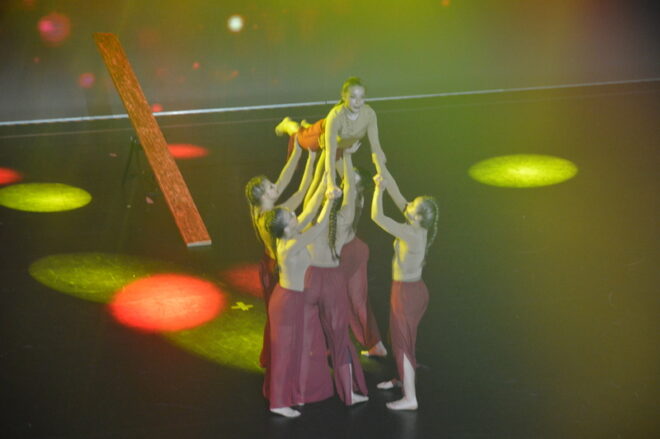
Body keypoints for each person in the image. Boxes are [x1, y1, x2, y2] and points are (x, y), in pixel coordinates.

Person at [262, 177, 337, 418]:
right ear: (286, 228)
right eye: (291, 217)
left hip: (292, 299)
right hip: (288, 303)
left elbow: (309, 212)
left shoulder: (289, 235)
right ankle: (278, 403)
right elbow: (319, 225)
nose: (296, 216)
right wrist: (330, 201)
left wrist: (324, 183)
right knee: (285, 352)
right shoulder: (291, 244)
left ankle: (295, 393)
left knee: (297, 350)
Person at [303, 146, 370, 407]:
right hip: (332, 281)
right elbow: (351, 190)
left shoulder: (311, 218)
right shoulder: (343, 220)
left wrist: (326, 156)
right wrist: (347, 154)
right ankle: (348, 393)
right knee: (340, 339)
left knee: (307, 336)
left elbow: (313, 186)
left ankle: (301, 390)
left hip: (309, 280)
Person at [244, 131, 318, 368]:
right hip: (279, 271)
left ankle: (272, 356)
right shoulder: (274, 216)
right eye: (271, 187)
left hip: (268, 265)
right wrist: (313, 162)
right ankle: (284, 357)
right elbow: (301, 193)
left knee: (275, 316)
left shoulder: (260, 208)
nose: (275, 186)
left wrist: (297, 151)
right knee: (286, 317)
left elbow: (284, 179)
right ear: (265, 195)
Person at [370, 168, 439, 411]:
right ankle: (401, 379)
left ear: (417, 218)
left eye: (412, 206)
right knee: (400, 338)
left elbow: (377, 217)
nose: (407, 204)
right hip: (412, 291)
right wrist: (381, 165)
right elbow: (397, 192)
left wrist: (378, 189)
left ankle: (410, 398)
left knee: (401, 344)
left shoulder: (410, 232)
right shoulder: (416, 224)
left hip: (407, 294)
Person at [274, 76, 388, 199]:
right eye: (353, 97)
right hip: (322, 133)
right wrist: (330, 184)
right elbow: (329, 157)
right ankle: (287, 124)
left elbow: (374, 148)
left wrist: (380, 171)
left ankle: (307, 126)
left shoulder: (364, 115)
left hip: (335, 139)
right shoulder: (339, 117)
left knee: (327, 156)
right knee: (301, 138)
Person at [331, 144, 386, 356]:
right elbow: (339, 167)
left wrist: (345, 153)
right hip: (355, 248)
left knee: (339, 300)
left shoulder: (352, 196)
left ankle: (332, 346)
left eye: (351, 179)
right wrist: (339, 149)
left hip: (347, 252)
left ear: (359, 187)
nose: (346, 178)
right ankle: (375, 344)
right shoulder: (352, 192)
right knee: (356, 300)